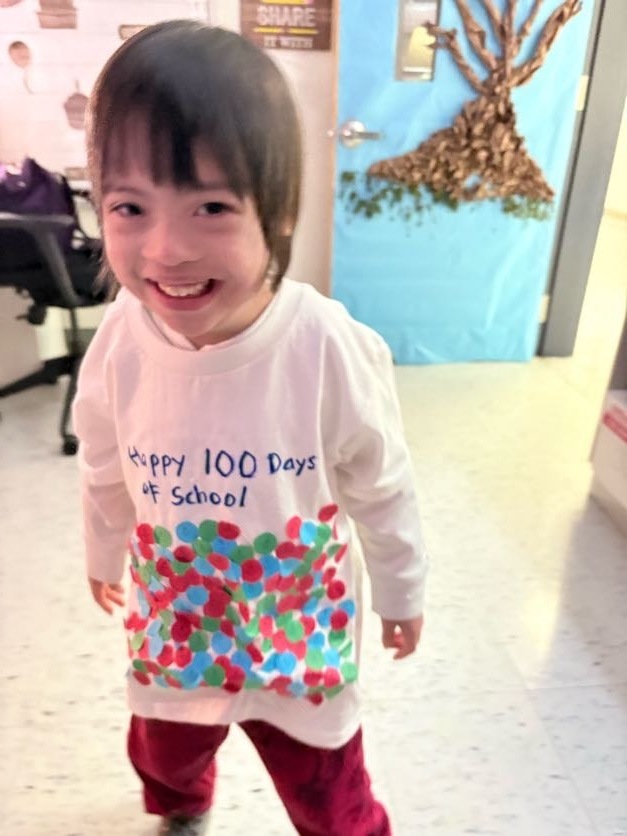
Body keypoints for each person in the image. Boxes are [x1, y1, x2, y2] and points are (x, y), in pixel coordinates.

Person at [73, 19, 428, 836]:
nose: (164, 249)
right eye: (130, 206)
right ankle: (180, 806)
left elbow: (381, 483)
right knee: (163, 751)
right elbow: (102, 463)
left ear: (275, 212)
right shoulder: (122, 340)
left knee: (326, 788)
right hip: (176, 618)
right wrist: (101, 553)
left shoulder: (324, 345)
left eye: (210, 206)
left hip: (293, 626)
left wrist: (402, 590)